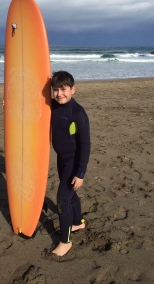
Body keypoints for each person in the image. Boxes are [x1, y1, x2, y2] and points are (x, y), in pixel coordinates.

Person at [50, 71, 91, 257]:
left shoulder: (78, 112)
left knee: (62, 198)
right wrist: (9, 106)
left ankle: (65, 242)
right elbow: (31, 109)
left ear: (73, 89)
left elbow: (85, 144)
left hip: (73, 162)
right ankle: (78, 222)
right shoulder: (53, 106)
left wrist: (80, 173)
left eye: (63, 89)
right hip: (61, 159)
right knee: (71, 193)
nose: (60, 94)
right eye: (56, 90)